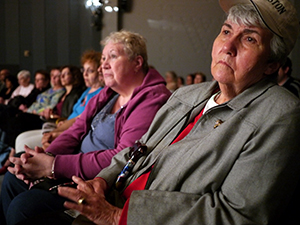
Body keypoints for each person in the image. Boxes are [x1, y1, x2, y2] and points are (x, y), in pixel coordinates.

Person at [22, 0, 300, 224]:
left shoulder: (280, 114)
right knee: (25, 205)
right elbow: (136, 150)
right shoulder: (188, 94)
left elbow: (237, 215)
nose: (227, 46)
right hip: (111, 200)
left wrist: (116, 217)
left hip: (128, 217)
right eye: (226, 31)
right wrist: (101, 182)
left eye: (249, 39)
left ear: (272, 65)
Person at [0, 30, 171, 225]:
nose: (103, 65)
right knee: (12, 179)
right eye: (103, 58)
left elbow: (124, 156)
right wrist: (46, 157)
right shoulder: (108, 94)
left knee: (24, 206)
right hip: (70, 169)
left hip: (98, 183)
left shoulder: (152, 99)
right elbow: (76, 130)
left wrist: (54, 166)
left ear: (137, 62)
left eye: (112, 57)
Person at [14, 49, 104, 153]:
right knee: (20, 138)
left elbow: (82, 120)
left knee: (24, 143)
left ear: (100, 72)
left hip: (72, 131)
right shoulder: (86, 91)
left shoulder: (100, 93)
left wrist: (57, 131)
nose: (85, 74)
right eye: (84, 70)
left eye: (90, 71)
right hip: (62, 126)